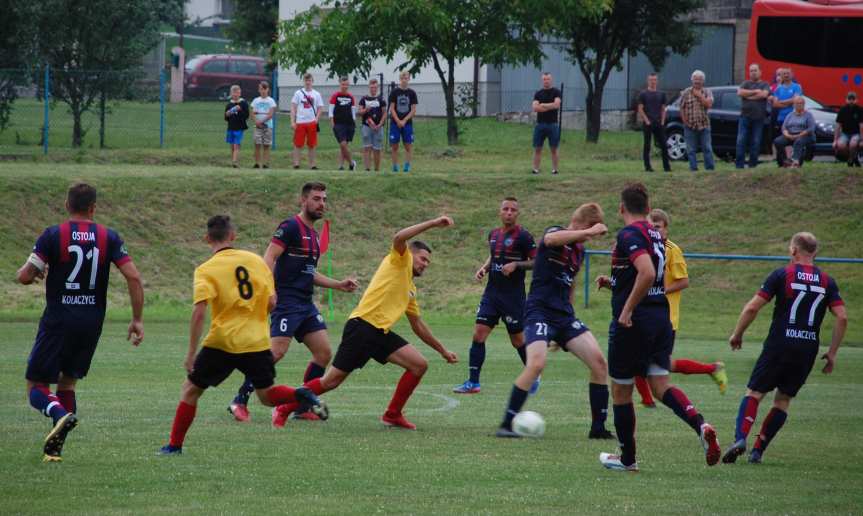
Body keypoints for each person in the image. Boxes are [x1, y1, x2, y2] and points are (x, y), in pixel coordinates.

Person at [159, 215, 326, 455]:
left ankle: (174, 446)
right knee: (267, 396)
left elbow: (199, 313)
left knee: (190, 391)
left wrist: (191, 353)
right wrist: (255, 319)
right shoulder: (256, 261)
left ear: (207, 239)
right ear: (233, 236)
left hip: (222, 342)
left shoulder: (206, 270)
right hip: (256, 342)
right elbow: (271, 301)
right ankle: (300, 393)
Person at [272, 216, 459, 430]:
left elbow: (418, 325)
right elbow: (399, 237)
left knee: (418, 365)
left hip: (380, 333)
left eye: (428, 262)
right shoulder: (400, 259)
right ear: (411, 254)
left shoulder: (410, 289)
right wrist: (434, 223)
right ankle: (285, 407)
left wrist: (443, 351)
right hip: (362, 327)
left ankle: (392, 414)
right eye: (423, 259)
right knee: (330, 381)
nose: (425, 264)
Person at [16, 183, 144, 462]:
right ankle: (54, 449)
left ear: (66, 205)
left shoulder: (53, 235)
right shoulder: (108, 237)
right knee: (67, 384)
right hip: (91, 322)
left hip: (59, 319)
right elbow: (133, 277)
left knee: (36, 386)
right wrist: (136, 319)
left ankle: (61, 414)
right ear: (93, 208)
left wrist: (24, 274)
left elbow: (26, 276)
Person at [596, 183, 720, 472]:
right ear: (649, 209)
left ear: (621, 208)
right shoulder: (655, 234)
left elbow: (647, 272)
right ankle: (701, 425)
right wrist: (615, 283)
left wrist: (626, 310)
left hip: (634, 322)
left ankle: (627, 459)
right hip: (660, 319)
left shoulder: (629, 233)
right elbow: (647, 277)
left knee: (621, 391)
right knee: (661, 385)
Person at [228, 182, 358, 422]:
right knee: (275, 353)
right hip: (286, 301)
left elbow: (310, 273)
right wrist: (268, 290)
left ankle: (300, 407)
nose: (322, 204)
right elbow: (269, 257)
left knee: (323, 353)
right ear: (303, 201)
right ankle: (239, 400)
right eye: (317, 199)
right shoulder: (290, 227)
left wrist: (338, 284)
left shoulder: (315, 236)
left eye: (324, 199)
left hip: (305, 304)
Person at [722, 232, 847, 465]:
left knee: (755, 393)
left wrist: (737, 334)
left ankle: (740, 439)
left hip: (780, 344)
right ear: (815, 253)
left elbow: (752, 308)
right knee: (782, 401)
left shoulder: (783, 274)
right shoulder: (828, 281)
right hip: (807, 348)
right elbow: (842, 318)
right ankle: (758, 450)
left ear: (793, 250)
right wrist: (832, 352)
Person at [496, 203, 614, 440]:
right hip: (539, 311)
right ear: (583, 225)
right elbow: (550, 240)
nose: (590, 238)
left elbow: (570, 282)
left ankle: (598, 428)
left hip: (564, 316)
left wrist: (566, 329)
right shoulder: (556, 232)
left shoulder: (578, 251)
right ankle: (507, 424)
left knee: (600, 364)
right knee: (536, 364)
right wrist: (589, 233)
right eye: (590, 231)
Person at [633, 209, 727, 408]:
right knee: (649, 362)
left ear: (666, 229)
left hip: (666, 318)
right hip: (650, 315)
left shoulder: (671, 249)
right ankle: (711, 369)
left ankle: (711, 369)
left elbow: (684, 281)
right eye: (651, 227)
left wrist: (661, 289)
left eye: (657, 227)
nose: (654, 231)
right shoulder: (647, 248)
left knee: (645, 362)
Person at [453, 197, 536, 394]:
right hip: (491, 294)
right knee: (479, 333)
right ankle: (473, 383)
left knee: (517, 340)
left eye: (513, 210)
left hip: (513, 297)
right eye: (505, 209)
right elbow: (494, 255)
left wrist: (516, 265)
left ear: (517, 214)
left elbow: (536, 261)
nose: (509, 212)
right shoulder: (493, 234)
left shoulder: (524, 237)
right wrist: (485, 268)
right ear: (500, 212)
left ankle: (533, 373)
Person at [735, 64, 771, 169]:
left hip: (759, 118)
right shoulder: (745, 83)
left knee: (756, 141)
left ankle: (752, 166)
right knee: (741, 140)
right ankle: (739, 166)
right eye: (751, 71)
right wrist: (755, 92)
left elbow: (764, 95)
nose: (753, 72)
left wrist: (748, 97)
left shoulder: (765, 84)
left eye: (755, 70)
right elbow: (740, 92)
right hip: (744, 117)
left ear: (760, 71)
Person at [679, 70, 715, 172]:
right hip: (689, 126)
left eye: (699, 79)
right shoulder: (686, 92)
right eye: (695, 79)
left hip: (704, 125)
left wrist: (699, 95)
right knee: (691, 150)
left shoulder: (707, 92)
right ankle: (693, 169)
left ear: (703, 81)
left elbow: (709, 105)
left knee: (707, 148)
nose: (697, 81)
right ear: (692, 80)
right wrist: (685, 122)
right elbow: (681, 107)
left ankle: (710, 169)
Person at [637, 73, 671, 172]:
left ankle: (667, 167)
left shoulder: (662, 94)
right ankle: (648, 167)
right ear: (648, 81)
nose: (653, 82)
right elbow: (640, 109)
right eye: (651, 80)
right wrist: (647, 120)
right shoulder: (643, 94)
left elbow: (663, 109)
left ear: (657, 81)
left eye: (655, 80)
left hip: (659, 123)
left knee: (664, 145)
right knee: (647, 145)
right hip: (648, 123)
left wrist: (663, 121)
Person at [291, 73, 324, 170]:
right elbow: (293, 107)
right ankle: (296, 164)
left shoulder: (316, 94)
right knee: (298, 144)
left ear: (312, 81)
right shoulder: (298, 93)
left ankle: (312, 164)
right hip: (300, 121)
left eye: (309, 80)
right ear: (303, 81)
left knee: (312, 144)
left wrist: (316, 119)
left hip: (311, 122)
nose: (308, 82)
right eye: (306, 80)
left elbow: (320, 108)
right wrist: (293, 121)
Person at [531, 72, 562, 175]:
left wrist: (543, 105)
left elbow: (557, 105)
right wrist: (550, 106)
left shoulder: (556, 92)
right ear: (542, 80)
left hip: (552, 124)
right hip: (540, 124)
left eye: (548, 79)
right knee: (537, 148)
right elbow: (535, 108)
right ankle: (535, 169)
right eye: (544, 79)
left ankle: (555, 170)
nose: (546, 81)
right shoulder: (538, 93)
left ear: (551, 80)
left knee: (554, 148)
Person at [388, 71, 418, 172]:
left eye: (406, 78)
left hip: (407, 123)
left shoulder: (412, 93)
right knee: (394, 146)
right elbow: (391, 108)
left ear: (409, 79)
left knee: (408, 145)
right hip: (395, 123)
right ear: (400, 79)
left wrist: (404, 120)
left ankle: (407, 166)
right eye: (403, 78)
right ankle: (395, 166)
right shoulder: (394, 92)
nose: (404, 80)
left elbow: (413, 110)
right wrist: (398, 121)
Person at [773, 96, 815, 168]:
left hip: (805, 135)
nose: (799, 105)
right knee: (777, 141)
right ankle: (784, 161)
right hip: (790, 135)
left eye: (801, 103)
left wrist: (798, 135)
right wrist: (788, 135)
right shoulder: (790, 115)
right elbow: (784, 128)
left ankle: (795, 162)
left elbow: (811, 129)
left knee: (799, 141)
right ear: (794, 105)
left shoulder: (808, 115)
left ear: (804, 104)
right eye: (797, 103)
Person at [329, 76, 357, 171]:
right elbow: (330, 111)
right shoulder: (335, 96)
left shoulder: (351, 97)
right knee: (343, 144)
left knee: (344, 146)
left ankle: (341, 166)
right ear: (340, 84)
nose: (344, 86)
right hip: (338, 123)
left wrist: (354, 122)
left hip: (349, 124)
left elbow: (353, 112)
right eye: (343, 84)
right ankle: (352, 163)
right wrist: (332, 123)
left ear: (348, 85)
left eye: (346, 84)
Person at [359, 78, 386, 171]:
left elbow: (384, 113)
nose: (373, 89)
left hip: (378, 127)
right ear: (369, 87)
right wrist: (366, 109)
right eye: (371, 87)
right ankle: (367, 169)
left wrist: (380, 124)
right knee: (367, 148)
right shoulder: (364, 99)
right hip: (366, 126)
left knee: (377, 149)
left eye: (375, 87)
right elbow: (360, 112)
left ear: (377, 87)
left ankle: (377, 170)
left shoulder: (381, 99)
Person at [251, 81, 277, 169]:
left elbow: (270, 114)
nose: (263, 91)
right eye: (261, 89)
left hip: (268, 126)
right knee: (257, 144)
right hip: (257, 126)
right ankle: (257, 163)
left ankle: (265, 163)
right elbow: (252, 113)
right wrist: (256, 122)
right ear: (259, 90)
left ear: (268, 89)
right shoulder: (256, 100)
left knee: (266, 145)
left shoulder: (271, 101)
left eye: (264, 89)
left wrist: (262, 122)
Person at [833, 91, 863, 167]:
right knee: (840, 145)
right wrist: (835, 140)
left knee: (853, 144)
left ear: (856, 100)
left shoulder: (860, 110)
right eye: (849, 99)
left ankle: (850, 160)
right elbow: (838, 126)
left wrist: (862, 140)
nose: (851, 101)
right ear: (846, 99)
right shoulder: (842, 110)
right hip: (845, 133)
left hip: (856, 133)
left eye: (853, 99)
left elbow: (861, 126)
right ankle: (854, 157)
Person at [771, 68, 802, 137]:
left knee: (791, 140)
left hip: (793, 119)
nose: (786, 75)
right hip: (781, 118)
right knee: (779, 140)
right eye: (784, 74)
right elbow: (775, 104)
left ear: (792, 75)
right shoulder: (778, 89)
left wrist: (781, 101)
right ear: (781, 75)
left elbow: (795, 100)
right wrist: (789, 103)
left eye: (788, 73)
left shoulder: (797, 87)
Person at [224, 85, 250, 168]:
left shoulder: (243, 103)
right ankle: (233, 161)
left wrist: (240, 110)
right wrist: (228, 114)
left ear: (240, 93)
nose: (235, 95)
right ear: (231, 94)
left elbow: (246, 116)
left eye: (237, 93)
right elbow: (226, 118)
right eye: (234, 93)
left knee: (236, 144)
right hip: (231, 127)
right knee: (232, 145)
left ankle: (235, 162)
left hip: (239, 127)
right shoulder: (229, 104)